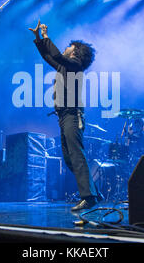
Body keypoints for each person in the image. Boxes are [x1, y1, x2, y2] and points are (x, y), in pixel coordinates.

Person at [29, 19, 100, 211]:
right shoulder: (65, 65)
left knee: (76, 155)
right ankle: (95, 193)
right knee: (69, 158)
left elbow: (58, 57)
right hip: (63, 116)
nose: (66, 47)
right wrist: (38, 39)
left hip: (72, 114)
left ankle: (89, 197)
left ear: (75, 51)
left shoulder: (75, 65)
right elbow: (49, 57)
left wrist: (45, 36)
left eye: (69, 46)